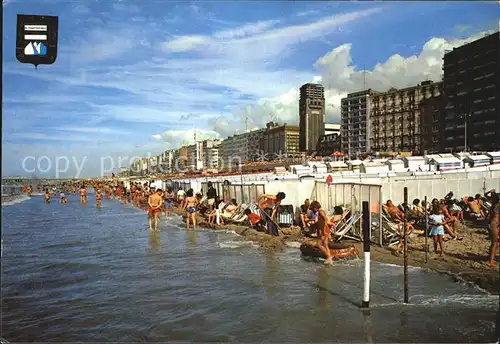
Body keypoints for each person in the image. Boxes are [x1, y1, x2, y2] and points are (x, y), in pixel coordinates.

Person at [487, 191, 499, 267]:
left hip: (491, 224)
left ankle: (491, 258)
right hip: (493, 225)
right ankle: (490, 261)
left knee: (495, 243)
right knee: (494, 244)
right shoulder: (498, 206)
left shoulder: (493, 205)